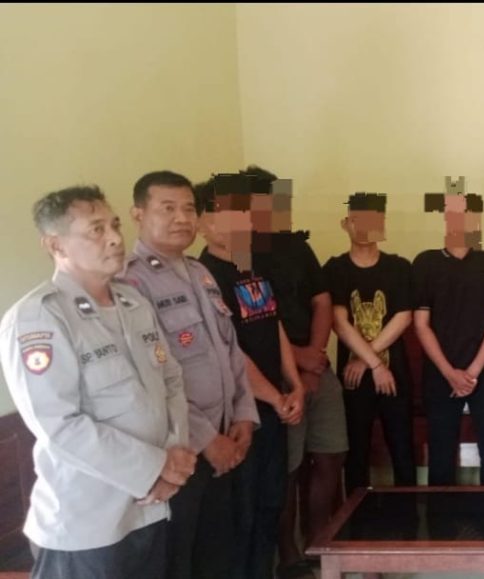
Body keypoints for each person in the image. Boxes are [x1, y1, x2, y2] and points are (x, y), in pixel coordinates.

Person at [0, 185, 194, 579]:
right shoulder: (39, 318)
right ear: (55, 244)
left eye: (115, 225)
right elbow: (59, 425)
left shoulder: (133, 304)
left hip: (152, 508)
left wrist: (175, 456)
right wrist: (156, 468)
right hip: (89, 521)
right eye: (96, 230)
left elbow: (171, 380)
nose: (115, 238)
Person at [122, 170, 260, 579]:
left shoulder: (200, 272)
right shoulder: (130, 282)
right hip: (180, 449)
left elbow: (229, 350)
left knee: (218, 554)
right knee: (179, 559)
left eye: (188, 209)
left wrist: (243, 414)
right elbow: (152, 376)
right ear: (138, 214)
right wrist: (207, 439)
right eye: (168, 208)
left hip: (225, 437)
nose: (182, 218)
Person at [236, 166, 348, 579]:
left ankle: (321, 541)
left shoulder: (295, 246)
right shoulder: (236, 255)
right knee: (289, 468)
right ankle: (289, 553)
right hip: (276, 376)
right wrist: (299, 361)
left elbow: (322, 301)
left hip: (318, 366)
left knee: (332, 454)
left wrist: (315, 356)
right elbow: (252, 323)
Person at [196, 173, 305, 579]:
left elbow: (273, 326)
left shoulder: (253, 267)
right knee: (240, 514)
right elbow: (230, 350)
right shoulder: (204, 276)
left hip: (275, 407)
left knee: (269, 504)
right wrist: (275, 398)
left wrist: (293, 385)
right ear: (204, 222)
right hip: (240, 414)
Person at [412, 177, 484, 486]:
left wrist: (472, 372)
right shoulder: (426, 263)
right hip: (440, 371)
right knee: (441, 453)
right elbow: (421, 324)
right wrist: (449, 372)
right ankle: (441, 516)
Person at [324, 192, 417, 491]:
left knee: (403, 451)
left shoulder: (399, 267)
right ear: (346, 224)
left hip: (393, 376)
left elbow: (403, 317)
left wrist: (368, 362)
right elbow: (339, 322)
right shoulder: (335, 268)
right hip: (354, 381)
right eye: (358, 220)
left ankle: (407, 517)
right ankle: (357, 518)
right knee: (356, 455)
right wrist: (375, 364)